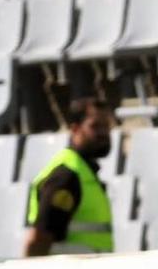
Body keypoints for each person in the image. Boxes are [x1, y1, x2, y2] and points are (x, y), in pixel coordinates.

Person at [23, 96, 116, 256]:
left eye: (107, 126)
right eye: (95, 126)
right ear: (75, 129)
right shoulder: (67, 176)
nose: (104, 133)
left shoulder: (83, 172)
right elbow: (39, 239)